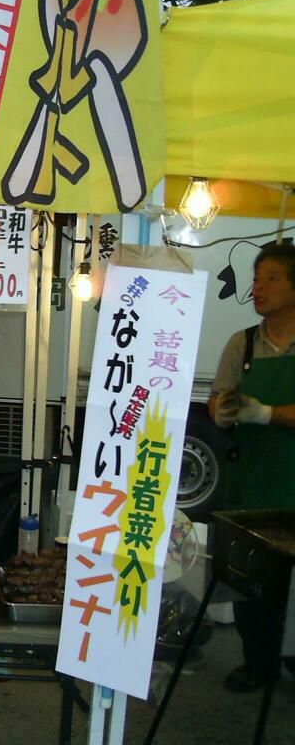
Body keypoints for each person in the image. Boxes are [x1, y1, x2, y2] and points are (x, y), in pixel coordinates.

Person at [209, 241, 295, 693]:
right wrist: (221, 411)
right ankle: (256, 662)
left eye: (272, 278)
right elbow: (218, 396)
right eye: (256, 278)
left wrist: (267, 414)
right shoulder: (240, 343)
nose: (257, 288)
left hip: (292, 484)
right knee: (251, 582)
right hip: (251, 487)